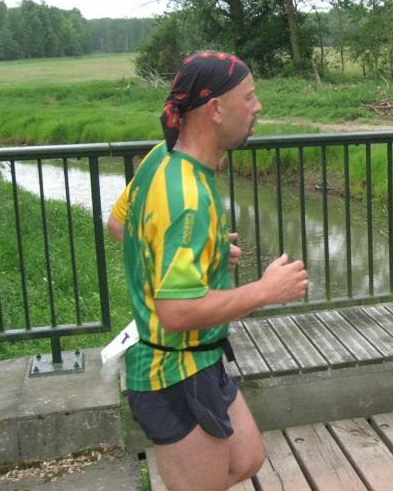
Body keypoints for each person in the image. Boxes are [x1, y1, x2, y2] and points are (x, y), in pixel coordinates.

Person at [108, 51, 309, 491]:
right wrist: (266, 290)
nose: (257, 108)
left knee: (248, 458)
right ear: (216, 110)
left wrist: (203, 256)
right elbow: (176, 312)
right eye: (249, 98)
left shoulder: (161, 157)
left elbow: (121, 225)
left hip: (201, 358)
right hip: (170, 371)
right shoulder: (189, 198)